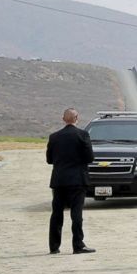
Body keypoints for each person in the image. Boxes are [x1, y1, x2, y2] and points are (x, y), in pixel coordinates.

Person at [46, 108, 95, 255]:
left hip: (59, 180)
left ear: (63, 119)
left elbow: (49, 160)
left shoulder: (54, 137)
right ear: (77, 118)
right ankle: (78, 245)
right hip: (77, 180)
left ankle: (54, 246)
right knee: (76, 213)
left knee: (57, 213)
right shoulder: (83, 135)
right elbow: (90, 158)